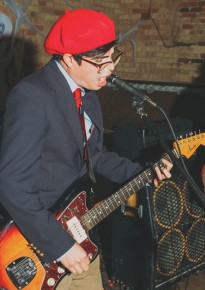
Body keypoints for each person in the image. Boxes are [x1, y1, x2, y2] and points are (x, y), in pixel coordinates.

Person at [0, 9, 172, 290]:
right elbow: (11, 184)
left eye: (113, 58)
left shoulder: (87, 94)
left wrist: (145, 172)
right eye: (101, 62)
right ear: (69, 58)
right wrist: (60, 246)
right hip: (38, 243)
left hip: (80, 230)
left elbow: (97, 156)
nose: (110, 69)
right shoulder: (32, 96)